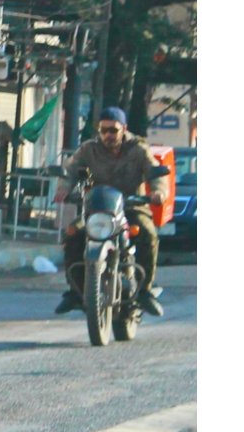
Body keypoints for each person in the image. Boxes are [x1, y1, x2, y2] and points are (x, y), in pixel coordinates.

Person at [53, 107, 169, 318]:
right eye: (104, 130)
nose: (108, 135)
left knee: (148, 233)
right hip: (97, 209)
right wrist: (63, 188)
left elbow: (155, 172)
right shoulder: (89, 149)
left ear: (123, 129)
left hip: (131, 207)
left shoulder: (138, 149)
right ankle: (75, 291)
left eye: (113, 130)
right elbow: (70, 170)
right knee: (73, 234)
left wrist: (158, 192)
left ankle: (145, 291)